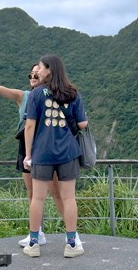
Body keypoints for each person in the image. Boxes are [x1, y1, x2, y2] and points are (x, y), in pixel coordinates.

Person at [0, 53, 76, 247]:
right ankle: (37, 233)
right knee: (33, 194)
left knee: (58, 192)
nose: (33, 77)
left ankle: (72, 235)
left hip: (45, 148)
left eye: (37, 74)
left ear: (45, 75)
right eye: (31, 75)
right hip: (26, 146)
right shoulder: (24, 96)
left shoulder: (53, 95)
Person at [22, 54, 88, 258]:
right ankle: (71, 244)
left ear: (49, 70)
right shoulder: (73, 93)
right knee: (69, 198)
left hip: (42, 153)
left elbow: (30, 125)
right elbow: (83, 124)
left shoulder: (35, 94)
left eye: (40, 68)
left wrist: (28, 154)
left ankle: (33, 244)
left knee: (38, 198)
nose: (37, 71)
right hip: (68, 152)